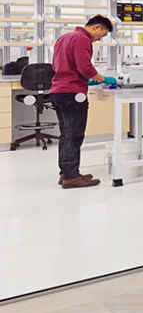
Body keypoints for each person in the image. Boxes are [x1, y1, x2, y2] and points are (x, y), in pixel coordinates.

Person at [51, 15, 117, 189]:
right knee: (74, 134)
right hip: (73, 94)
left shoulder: (64, 37)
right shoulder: (82, 39)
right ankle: (71, 177)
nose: (98, 39)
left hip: (59, 91)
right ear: (97, 27)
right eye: (101, 35)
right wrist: (103, 78)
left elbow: (58, 66)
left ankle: (66, 172)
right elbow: (85, 68)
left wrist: (86, 79)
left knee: (66, 134)